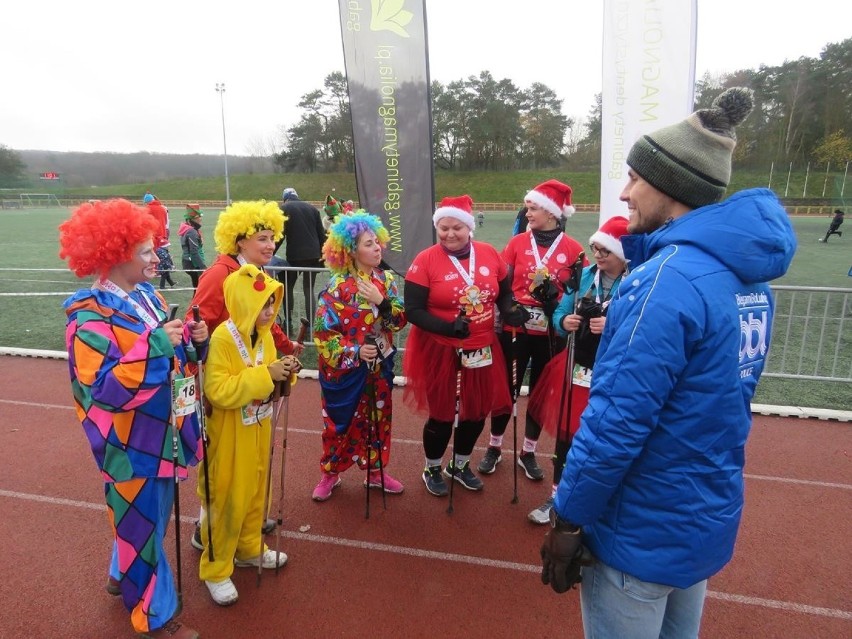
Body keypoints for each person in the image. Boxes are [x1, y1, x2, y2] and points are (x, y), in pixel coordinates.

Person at [540, 88, 797, 638]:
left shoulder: (662, 281)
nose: (626, 192)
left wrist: (567, 515)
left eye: (635, 177)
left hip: (641, 525)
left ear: (672, 184)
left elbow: (616, 423)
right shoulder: (747, 278)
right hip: (703, 515)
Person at [59, 198, 208, 639]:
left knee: (146, 521)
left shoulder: (148, 295)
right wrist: (160, 344)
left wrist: (192, 343)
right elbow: (105, 390)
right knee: (142, 529)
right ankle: (153, 618)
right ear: (115, 254)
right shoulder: (88, 320)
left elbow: (171, 354)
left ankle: (119, 571)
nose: (156, 256)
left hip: (164, 434)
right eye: (145, 250)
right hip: (128, 444)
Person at [187, 200, 302, 549]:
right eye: (263, 238)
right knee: (221, 467)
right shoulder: (220, 274)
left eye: (273, 239)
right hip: (222, 384)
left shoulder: (256, 274)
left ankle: (245, 531)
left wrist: (286, 347)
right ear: (239, 241)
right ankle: (206, 529)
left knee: (250, 463)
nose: (270, 245)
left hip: (252, 388)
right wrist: (202, 382)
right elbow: (198, 324)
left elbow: (264, 323)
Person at [198, 264, 300, 606]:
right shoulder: (223, 338)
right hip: (229, 436)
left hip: (259, 425)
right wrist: (264, 374)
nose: (269, 312)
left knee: (258, 491)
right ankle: (216, 569)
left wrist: (286, 373)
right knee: (229, 498)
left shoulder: (266, 335)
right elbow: (217, 390)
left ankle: (249, 547)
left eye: (272, 304)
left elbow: (272, 379)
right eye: (262, 305)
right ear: (243, 304)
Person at [403, 195, 518, 497]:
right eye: (443, 228)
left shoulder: (490, 253)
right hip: (440, 346)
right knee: (442, 413)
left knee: (476, 411)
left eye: (456, 227)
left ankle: (461, 464)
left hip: (481, 345)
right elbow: (412, 310)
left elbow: (504, 292)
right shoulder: (425, 260)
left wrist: (509, 310)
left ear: (469, 228)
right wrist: (447, 326)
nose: (450, 234)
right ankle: (432, 467)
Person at [477, 180, 586, 482]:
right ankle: (495, 446)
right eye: (528, 208)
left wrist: (558, 301)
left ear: (551, 213)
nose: (528, 214)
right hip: (516, 327)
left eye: (533, 208)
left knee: (539, 393)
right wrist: (509, 305)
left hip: (551, 333)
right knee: (506, 390)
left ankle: (528, 451)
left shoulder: (573, 249)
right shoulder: (516, 244)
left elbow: (581, 292)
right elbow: (502, 282)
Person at [525, 215, 629, 524]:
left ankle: (601, 500)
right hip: (578, 366)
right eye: (595, 249)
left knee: (605, 438)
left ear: (622, 253)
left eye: (605, 251)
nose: (597, 256)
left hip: (616, 372)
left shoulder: (637, 279)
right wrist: (563, 322)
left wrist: (613, 325)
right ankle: (558, 498)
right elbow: (559, 311)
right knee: (567, 437)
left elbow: (646, 322)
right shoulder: (584, 277)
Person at [311, 211, 407, 501]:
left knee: (379, 419)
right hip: (345, 374)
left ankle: (376, 471)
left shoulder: (387, 280)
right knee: (338, 423)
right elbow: (323, 335)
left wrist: (384, 303)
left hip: (379, 367)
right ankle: (330, 472)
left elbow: (400, 320)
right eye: (369, 243)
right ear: (350, 251)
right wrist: (354, 352)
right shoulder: (335, 288)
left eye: (377, 242)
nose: (377, 247)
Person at [276, 187, 326, 333]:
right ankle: (311, 325)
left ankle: (289, 321)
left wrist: (270, 253)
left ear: (285, 198)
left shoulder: (284, 208)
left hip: (295, 256)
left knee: (288, 287)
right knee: (308, 289)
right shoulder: (312, 209)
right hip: (315, 256)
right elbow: (321, 236)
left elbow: (280, 236)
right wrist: (324, 257)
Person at [142, 193, 176, 289]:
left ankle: (157, 270)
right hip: (163, 233)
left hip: (153, 234)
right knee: (162, 253)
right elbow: (166, 222)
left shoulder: (147, 209)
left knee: (154, 253)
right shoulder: (163, 208)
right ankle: (166, 270)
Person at [179, 204, 206, 290]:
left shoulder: (188, 229)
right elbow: (194, 252)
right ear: (192, 219)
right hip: (192, 264)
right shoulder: (191, 232)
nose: (200, 219)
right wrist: (202, 268)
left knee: (197, 289)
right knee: (199, 289)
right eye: (198, 217)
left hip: (188, 262)